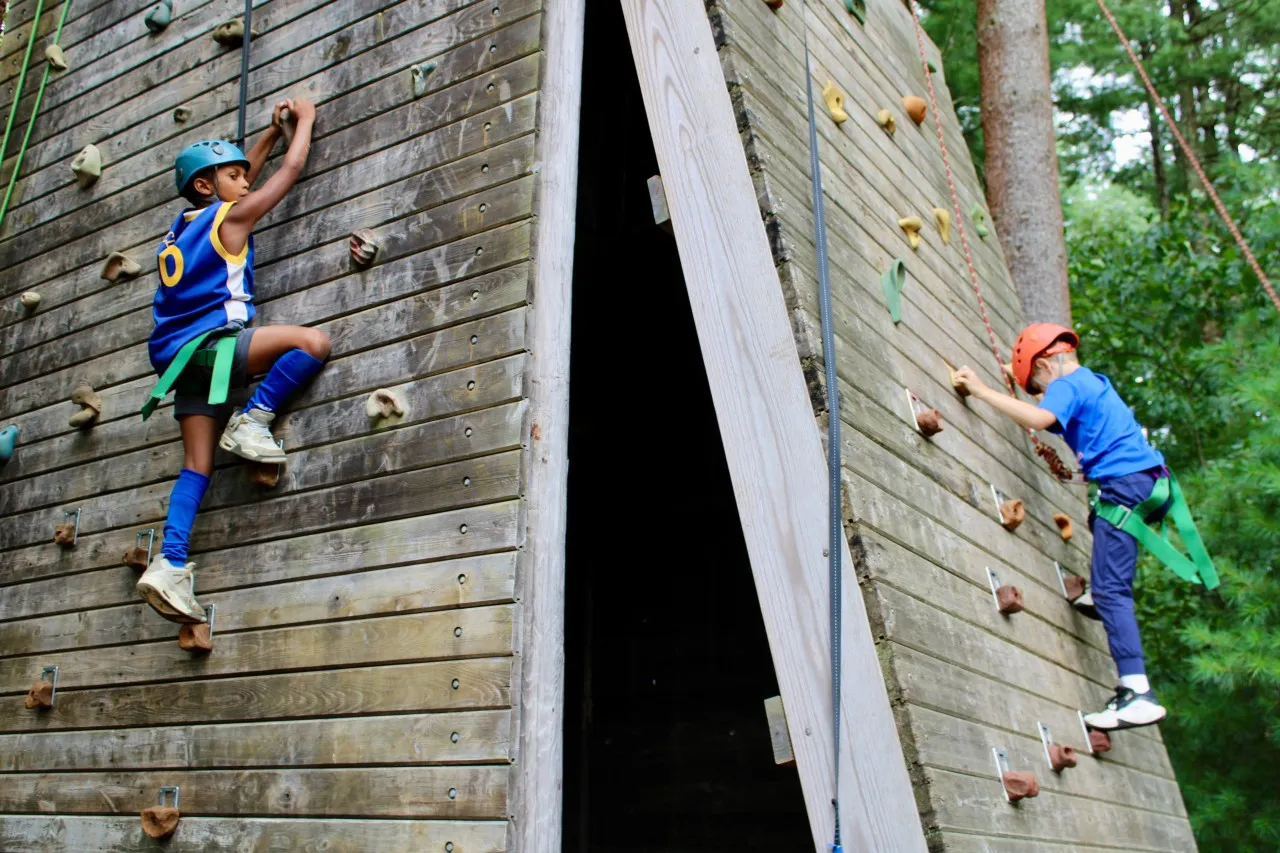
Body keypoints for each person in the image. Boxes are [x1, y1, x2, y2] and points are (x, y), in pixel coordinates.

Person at [135, 98, 330, 624]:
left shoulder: (182, 228)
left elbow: (240, 177)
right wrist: (305, 122)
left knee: (196, 467)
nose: (245, 181)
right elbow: (286, 174)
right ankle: (255, 420)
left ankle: (169, 563)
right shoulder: (231, 218)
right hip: (217, 345)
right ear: (207, 185)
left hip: (180, 362)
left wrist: (269, 134)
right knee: (312, 344)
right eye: (235, 175)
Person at [951, 323, 1172, 731]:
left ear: (1047, 362)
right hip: (1146, 483)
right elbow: (1051, 415)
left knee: (1112, 591)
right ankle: (1096, 596)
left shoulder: (1066, 385)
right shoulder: (1091, 381)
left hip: (1126, 485)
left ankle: (1137, 692)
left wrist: (982, 391)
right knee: (1100, 529)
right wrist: (1016, 377)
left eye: (1036, 379)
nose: (1038, 389)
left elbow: (1039, 418)